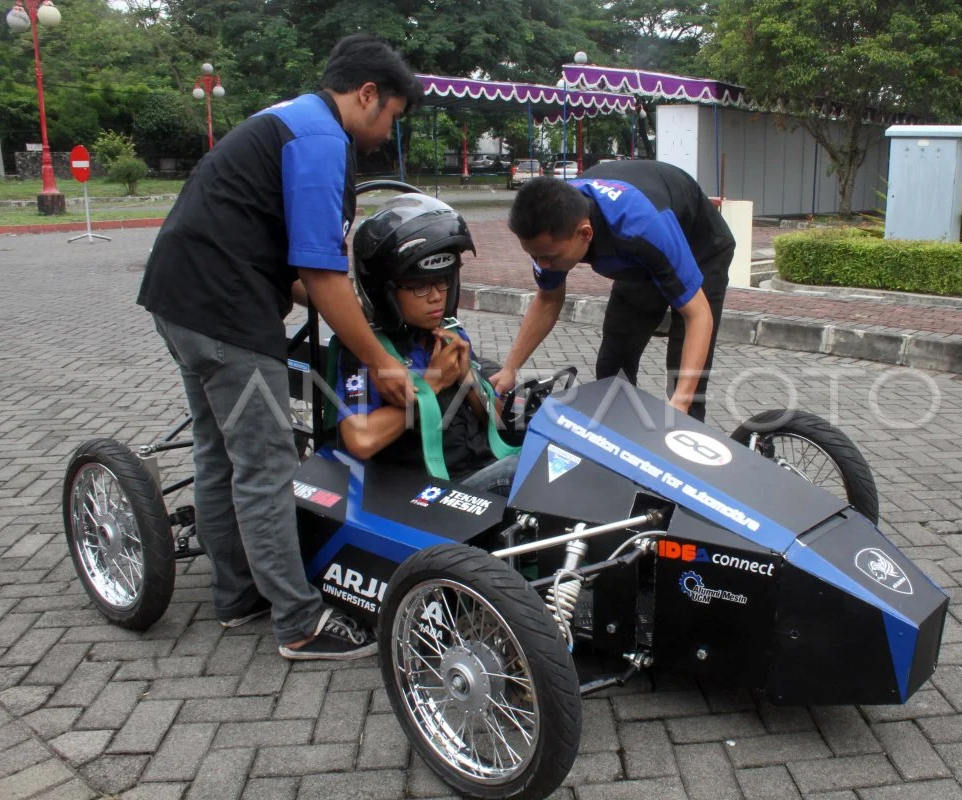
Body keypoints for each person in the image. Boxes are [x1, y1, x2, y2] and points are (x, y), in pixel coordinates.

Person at [136, 34, 424, 660]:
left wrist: (345, 306)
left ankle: (236, 594)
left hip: (177, 299)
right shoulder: (323, 141)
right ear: (367, 94)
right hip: (224, 315)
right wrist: (381, 359)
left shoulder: (288, 120)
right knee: (267, 467)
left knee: (219, 454)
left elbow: (296, 264)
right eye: (391, 119)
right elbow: (320, 276)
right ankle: (298, 622)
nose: (386, 135)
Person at [494, 160, 735, 422]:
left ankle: (686, 450)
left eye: (549, 257)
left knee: (685, 384)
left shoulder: (640, 227)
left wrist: (681, 400)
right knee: (611, 371)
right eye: (534, 255)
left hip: (701, 247)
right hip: (638, 263)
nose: (542, 265)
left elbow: (699, 316)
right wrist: (510, 368)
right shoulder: (555, 220)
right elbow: (548, 299)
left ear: (584, 233)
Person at [334, 195, 518, 493]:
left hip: (484, 466)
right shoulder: (367, 352)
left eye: (443, 281)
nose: (436, 296)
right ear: (387, 293)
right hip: (435, 490)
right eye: (420, 286)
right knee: (521, 473)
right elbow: (360, 440)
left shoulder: (449, 334)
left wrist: (466, 378)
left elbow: (496, 419)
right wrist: (432, 382)